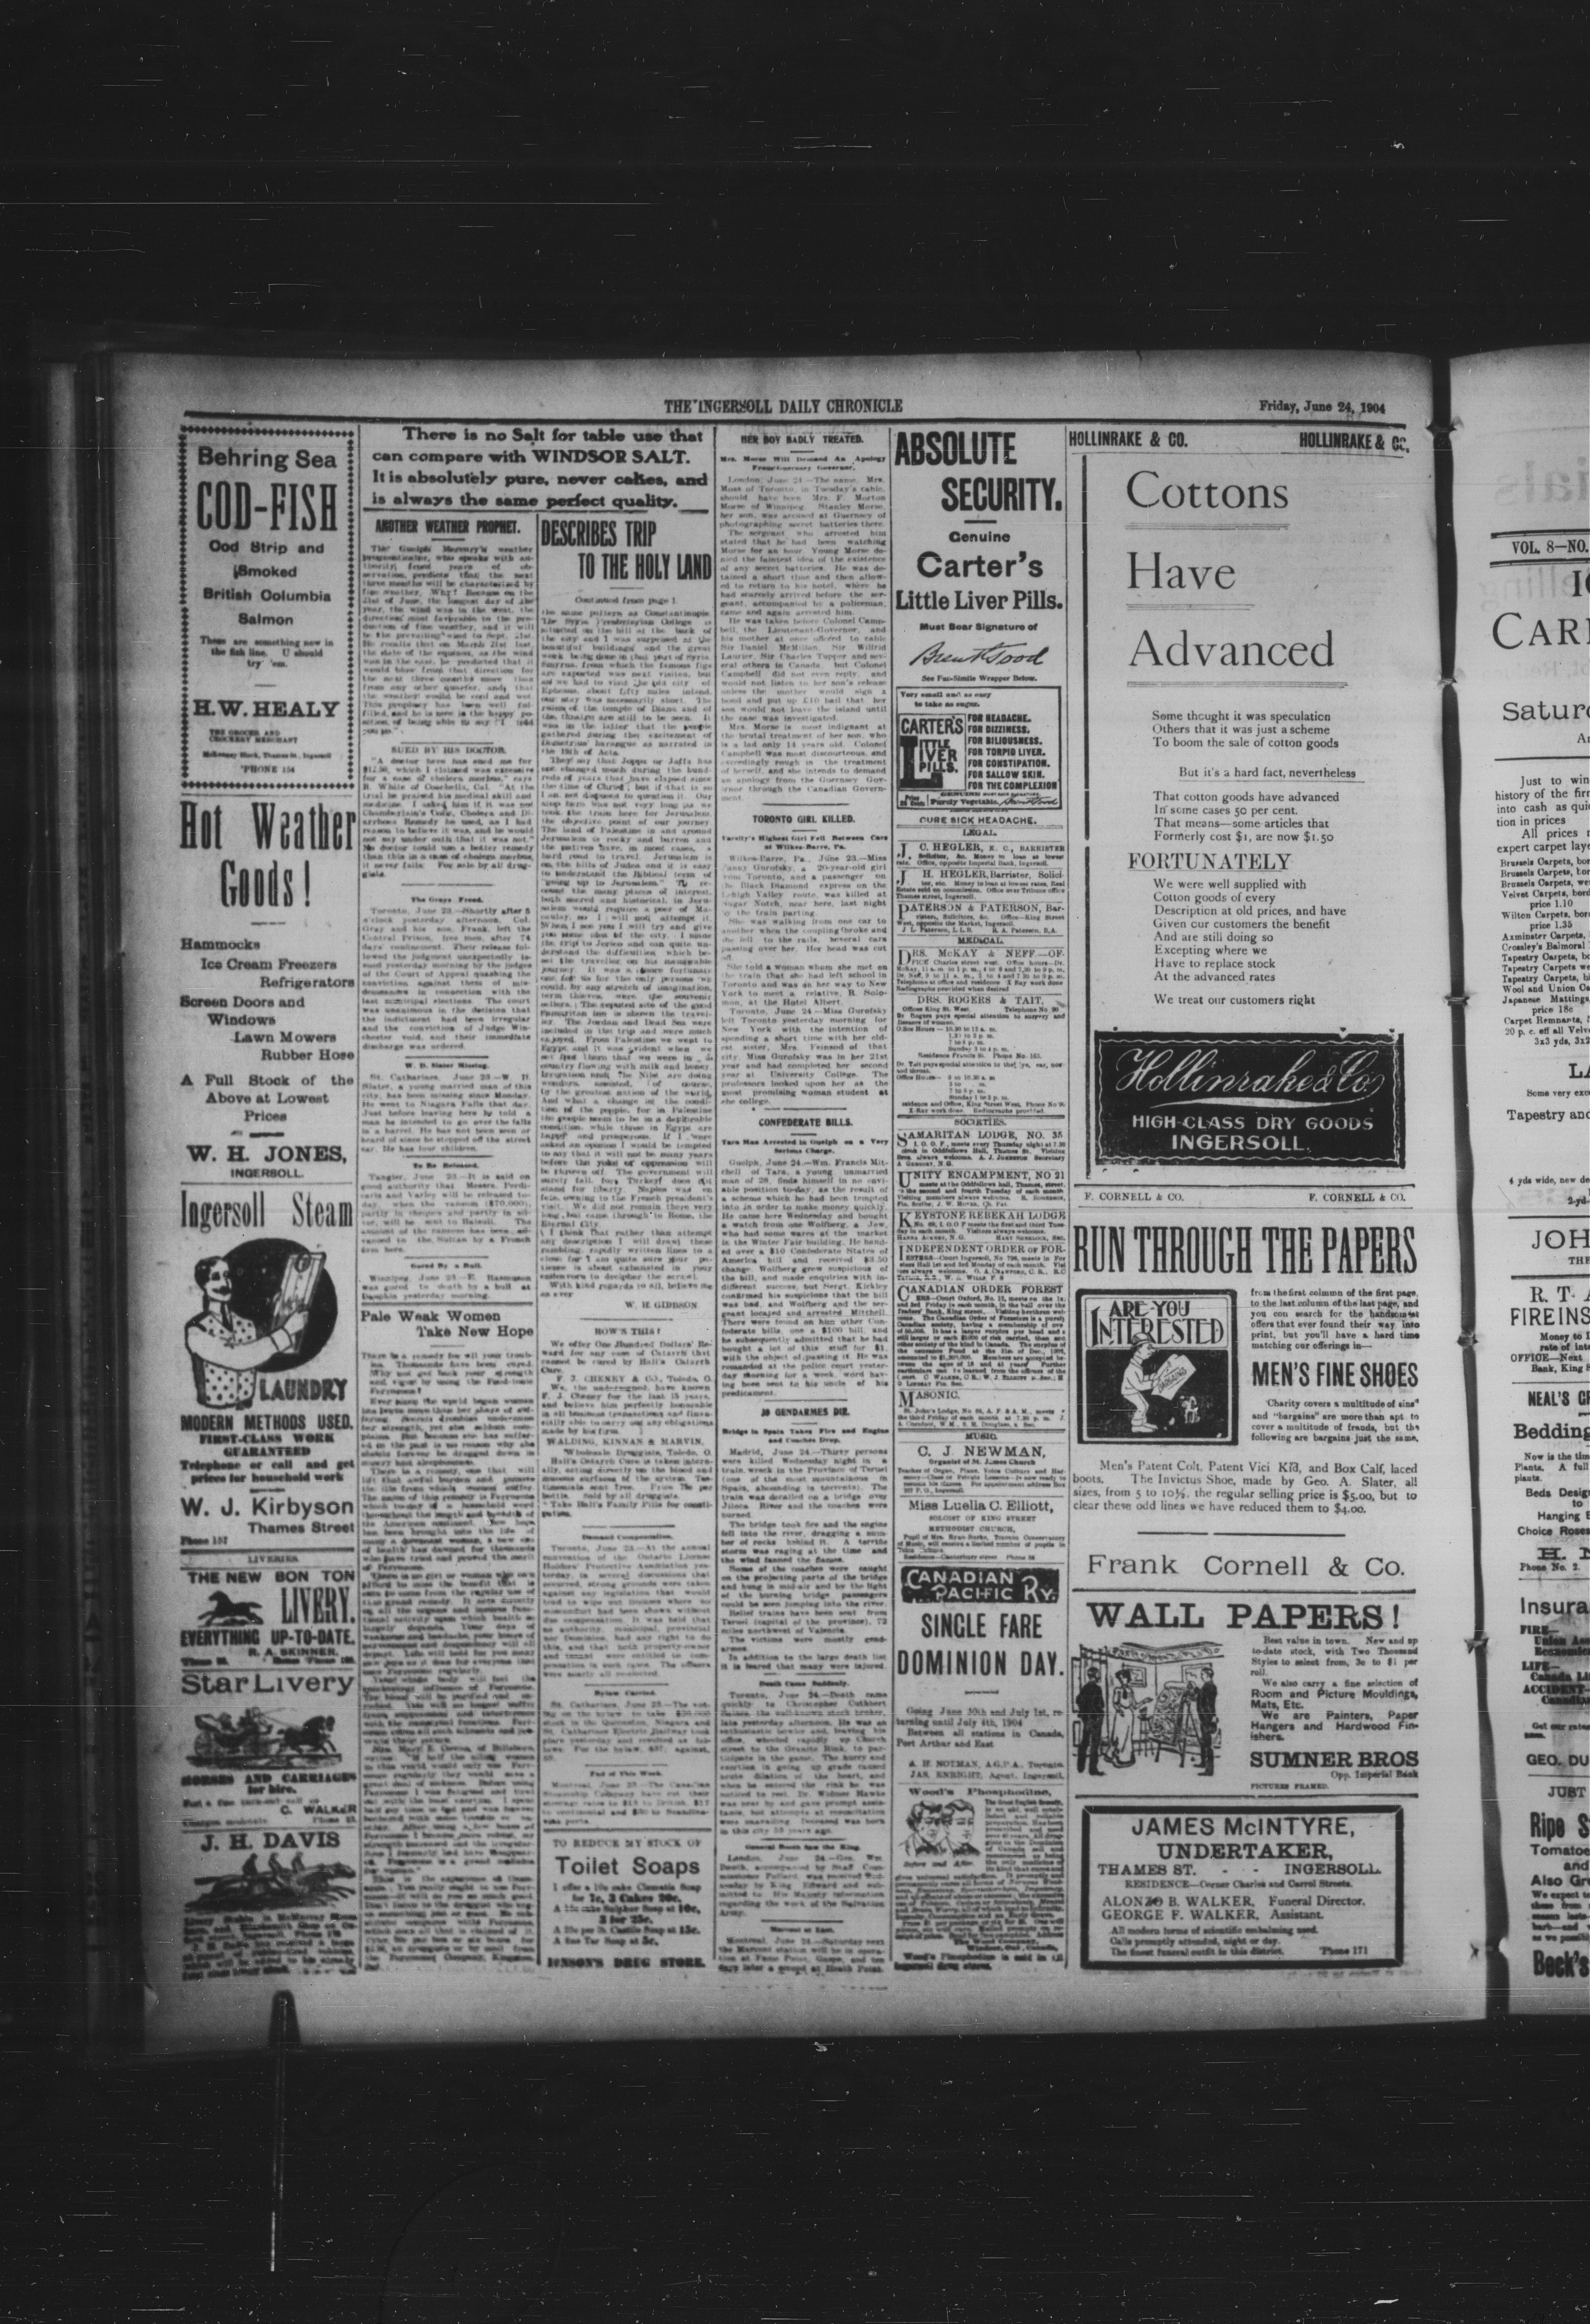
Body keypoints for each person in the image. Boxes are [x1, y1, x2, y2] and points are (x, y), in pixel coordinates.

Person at [185, 1255, 307, 1408]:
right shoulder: (196, 1329)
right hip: (215, 1413)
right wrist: (286, 1331)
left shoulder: (246, 1323)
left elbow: (283, 1349)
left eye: (227, 1276)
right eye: (216, 1278)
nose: (225, 1283)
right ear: (204, 1285)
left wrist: (282, 1313)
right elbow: (238, 1358)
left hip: (247, 1408)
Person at [1120, 1334, 1160, 1434]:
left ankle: (1143, 1424)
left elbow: (1141, 1380)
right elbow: (1139, 1386)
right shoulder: (1132, 1369)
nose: (1151, 1351)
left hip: (1132, 1391)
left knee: (1145, 1406)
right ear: (1138, 1349)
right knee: (1142, 1407)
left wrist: (1151, 1377)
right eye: (1148, 1348)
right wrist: (1153, 1384)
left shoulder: (1137, 1366)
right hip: (1129, 1392)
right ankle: (1136, 1427)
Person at [1075, 1666, 1105, 1777]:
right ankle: (1093, 1770)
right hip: (1096, 1718)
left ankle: (1080, 1767)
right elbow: (1102, 1704)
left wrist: (1084, 1710)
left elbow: (1078, 1700)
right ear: (1095, 1675)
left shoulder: (1085, 1687)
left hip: (1087, 1719)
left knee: (1085, 1742)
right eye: (1098, 1674)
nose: (1099, 1675)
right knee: (1095, 1744)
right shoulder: (1097, 1688)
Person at [1109, 1668, 1138, 1767]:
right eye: (1120, 1679)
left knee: (1128, 1737)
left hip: (1129, 1715)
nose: (1122, 1680)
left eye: (1124, 1678)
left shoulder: (1130, 1691)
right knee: (1120, 1736)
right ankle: (1117, 1756)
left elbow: (1135, 1706)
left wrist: (1145, 1702)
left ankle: (1126, 1757)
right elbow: (1115, 1703)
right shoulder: (1118, 1690)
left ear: (1128, 1679)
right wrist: (1119, 1710)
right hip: (1121, 1714)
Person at [1195, 1666, 1219, 1775]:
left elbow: (1210, 1704)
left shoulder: (1210, 1687)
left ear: (1208, 1675)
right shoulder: (1206, 1686)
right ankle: (1203, 1763)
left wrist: (1211, 1718)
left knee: (1208, 1744)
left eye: (1203, 1674)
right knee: (1204, 1742)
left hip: (1207, 1719)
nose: (1201, 1676)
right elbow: (1202, 1699)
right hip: (1204, 1718)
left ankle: (1209, 1770)